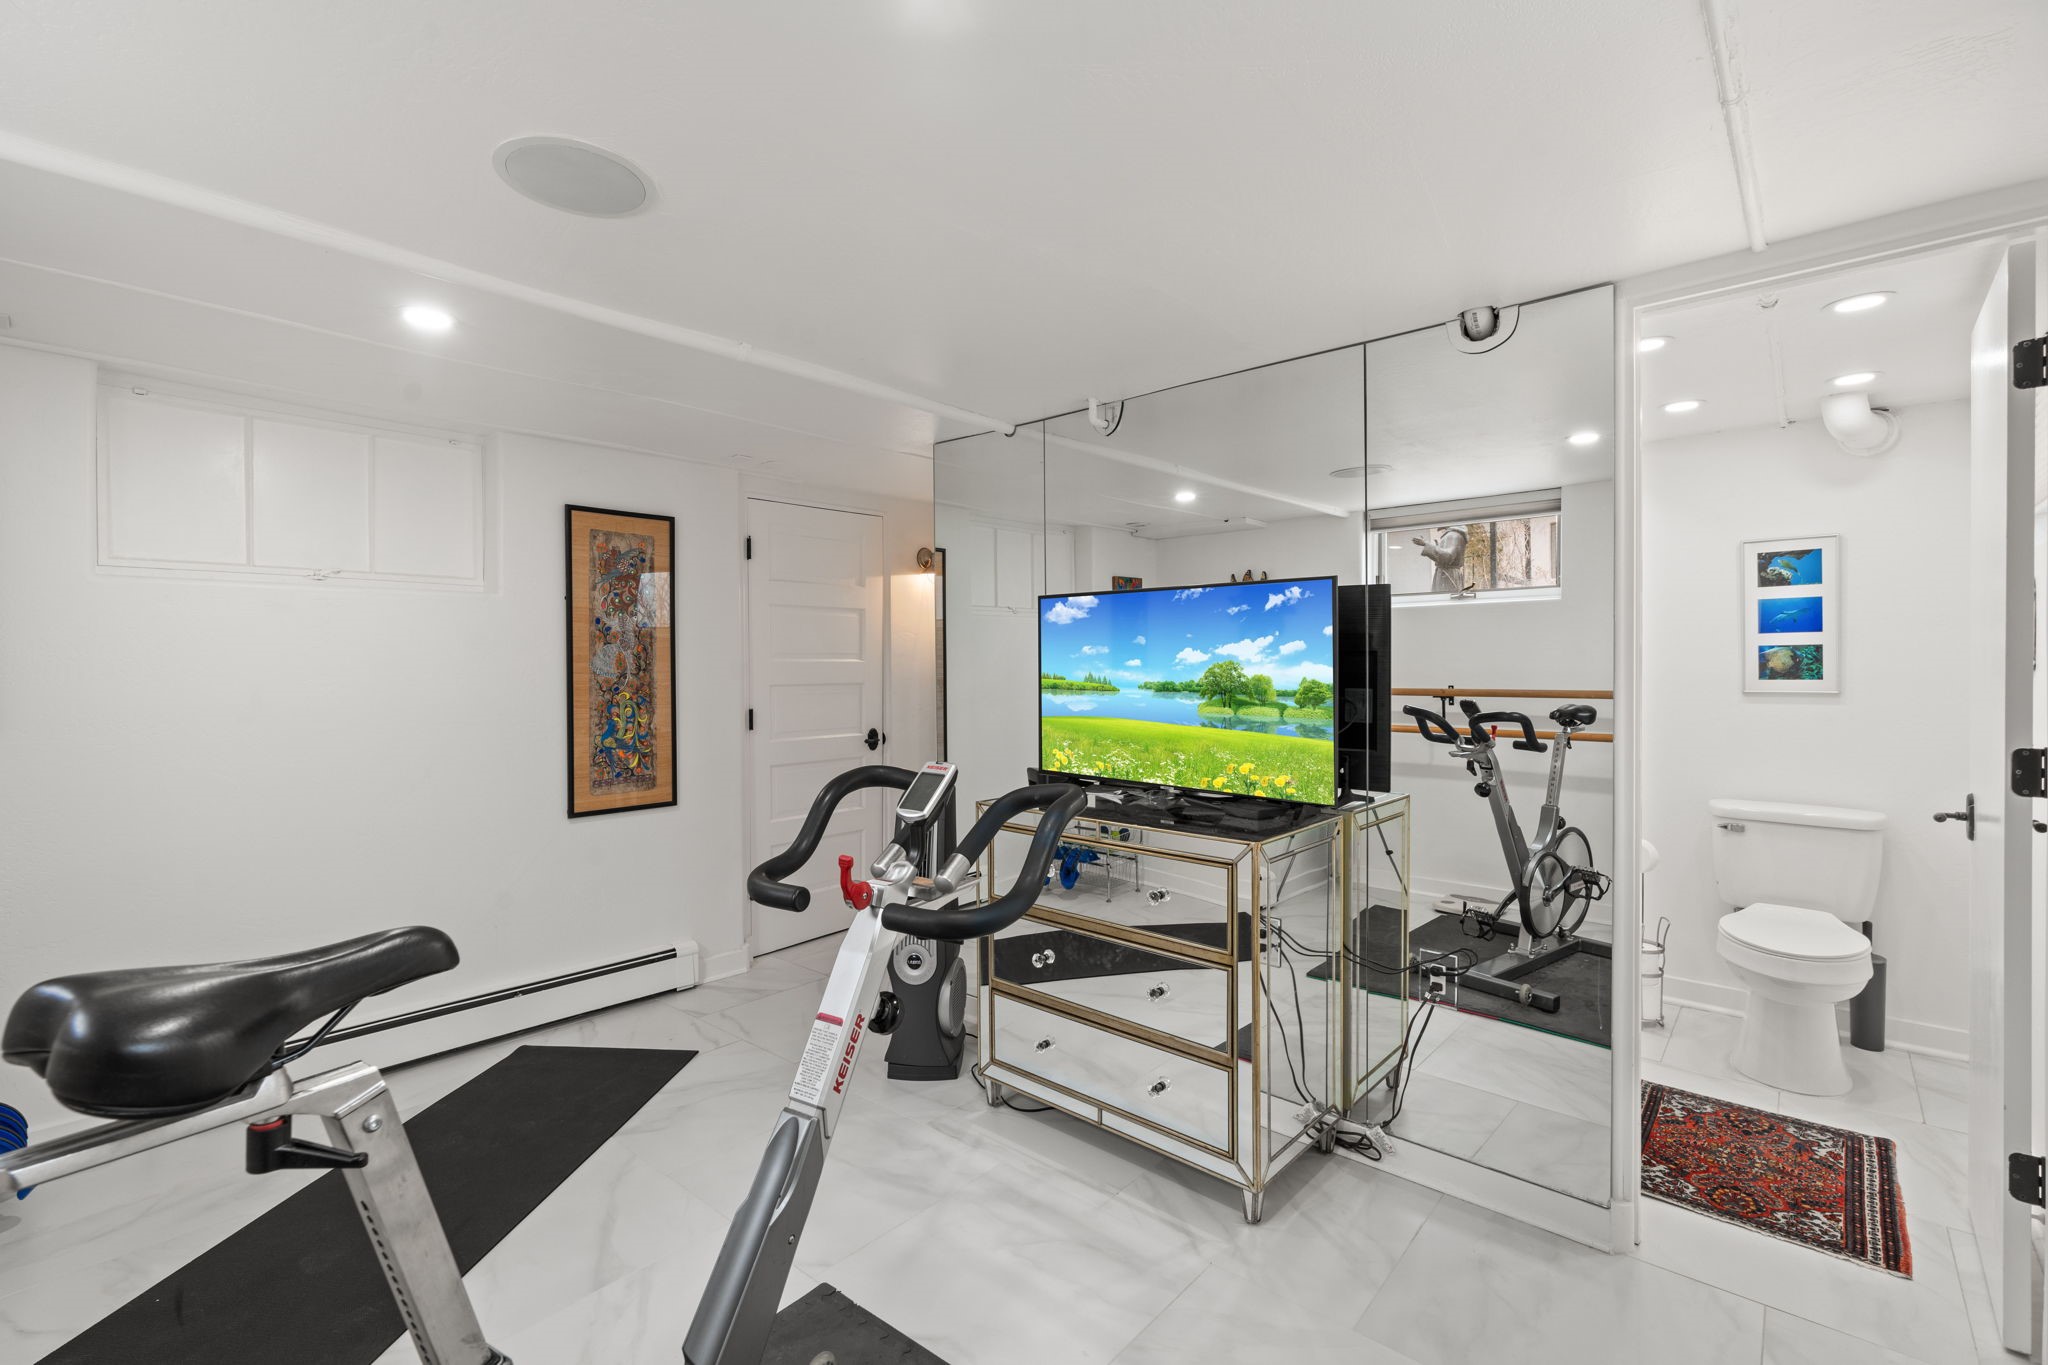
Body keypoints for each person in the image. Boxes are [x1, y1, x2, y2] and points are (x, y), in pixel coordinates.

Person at [1412, 526, 1469, 594]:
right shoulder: (1454, 534)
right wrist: (1437, 547)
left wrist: (1426, 544)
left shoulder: (1453, 535)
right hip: (1447, 574)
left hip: (1447, 576)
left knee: (1445, 598)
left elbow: (1447, 557)